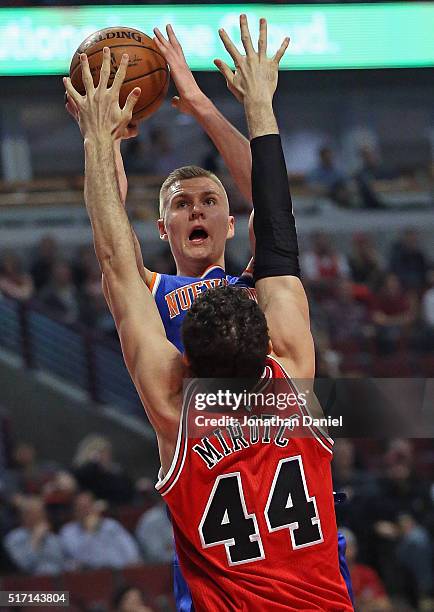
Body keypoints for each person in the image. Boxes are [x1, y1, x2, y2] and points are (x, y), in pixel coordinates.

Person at [64, 14, 353, 610]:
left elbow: (115, 248)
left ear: (228, 222)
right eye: (181, 203)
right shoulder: (271, 342)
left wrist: (192, 107)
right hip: (231, 488)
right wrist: (114, 143)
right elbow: (274, 221)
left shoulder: (234, 298)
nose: (196, 209)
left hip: (206, 456)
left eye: (210, 201)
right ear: (162, 225)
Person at [59, 491, 141, 570]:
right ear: (75, 511)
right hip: (92, 576)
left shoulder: (111, 525)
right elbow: (80, 558)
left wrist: (133, 563)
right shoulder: (68, 532)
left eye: (88, 506)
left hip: (119, 571)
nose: (86, 511)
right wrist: (89, 532)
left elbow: (129, 548)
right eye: (81, 508)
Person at [4, 495, 66, 575]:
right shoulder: (13, 539)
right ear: (24, 516)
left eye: (41, 513)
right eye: (34, 513)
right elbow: (22, 566)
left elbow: (60, 563)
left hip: (56, 582)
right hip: (29, 583)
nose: (40, 517)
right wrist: (35, 540)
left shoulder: (52, 537)